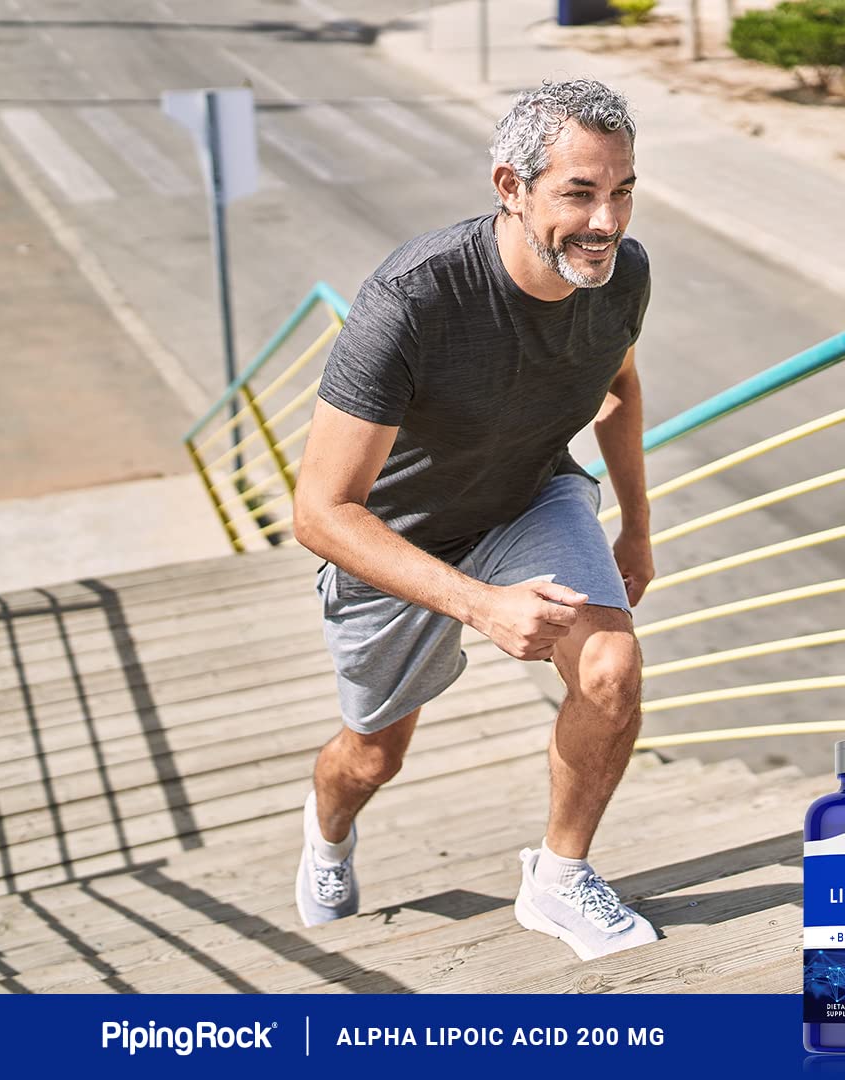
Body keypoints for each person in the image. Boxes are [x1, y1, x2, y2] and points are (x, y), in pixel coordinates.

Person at [292, 78, 656, 960]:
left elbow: (618, 385)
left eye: (622, 190)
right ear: (511, 187)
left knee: (610, 670)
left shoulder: (622, 274)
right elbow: (320, 512)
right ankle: (327, 837)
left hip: (530, 495)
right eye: (578, 192)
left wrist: (637, 526)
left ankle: (559, 880)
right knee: (373, 758)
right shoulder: (413, 300)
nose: (605, 221)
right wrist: (480, 604)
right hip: (399, 540)